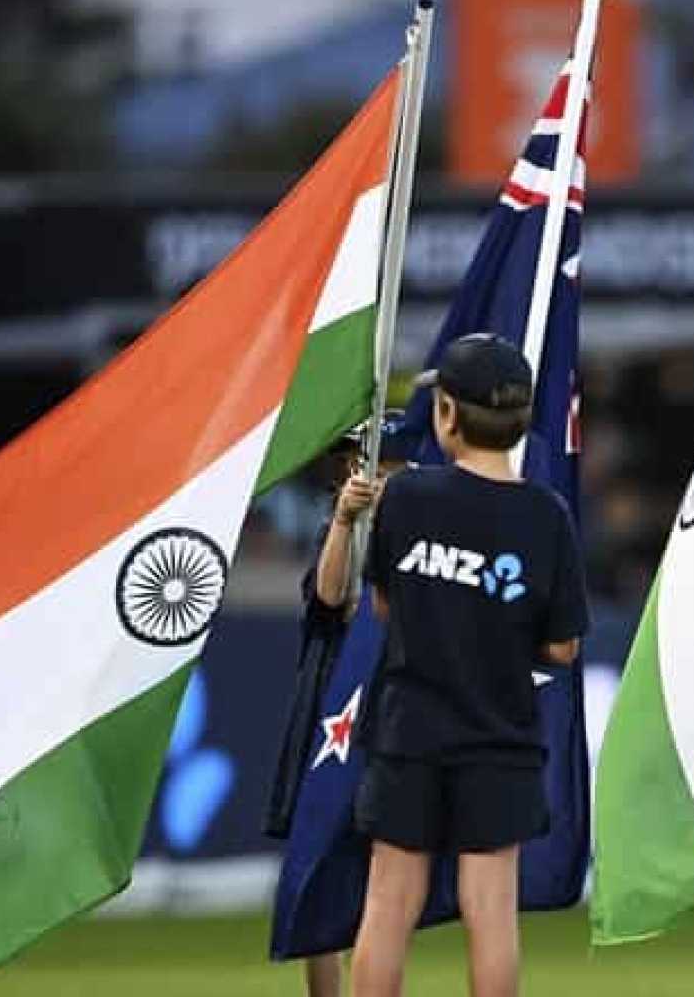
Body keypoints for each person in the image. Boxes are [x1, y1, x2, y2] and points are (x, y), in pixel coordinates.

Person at [349, 333, 590, 997]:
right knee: (491, 911)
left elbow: (383, 604)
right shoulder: (546, 515)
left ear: (447, 413)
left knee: (388, 904)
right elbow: (564, 647)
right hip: (500, 738)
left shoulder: (407, 496)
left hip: (409, 733)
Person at [262, 411, 413, 997]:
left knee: (386, 860)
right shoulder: (338, 526)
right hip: (335, 702)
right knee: (319, 851)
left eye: (382, 465)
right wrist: (347, 522)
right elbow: (329, 599)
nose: (368, 474)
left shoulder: (422, 536)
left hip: (393, 696)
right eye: (361, 463)